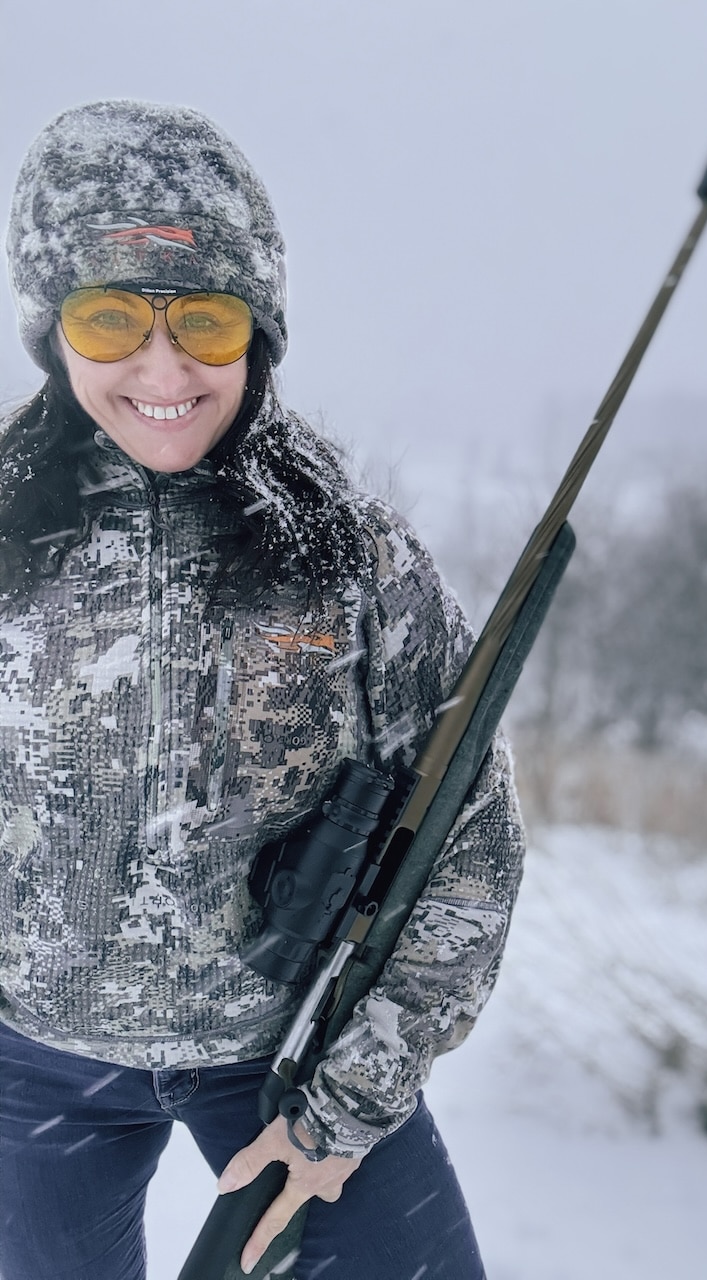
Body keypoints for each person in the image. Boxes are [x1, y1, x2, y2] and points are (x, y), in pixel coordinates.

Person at [0, 100, 524, 1280]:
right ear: (52, 330)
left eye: (207, 318)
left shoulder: (356, 565)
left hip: (288, 1057)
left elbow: (468, 850)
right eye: (107, 316)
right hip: (30, 1070)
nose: (163, 366)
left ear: (260, 331)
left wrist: (341, 1110)